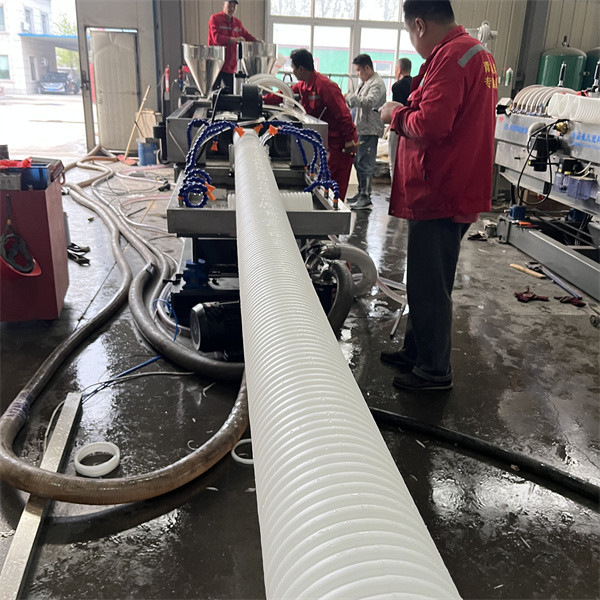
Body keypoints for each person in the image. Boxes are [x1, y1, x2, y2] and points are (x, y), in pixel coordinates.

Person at [379, 0, 498, 391]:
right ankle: (417, 351)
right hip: (455, 184)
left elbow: (431, 125)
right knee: (425, 278)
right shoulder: (475, 54)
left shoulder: (451, 57)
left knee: (430, 284)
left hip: (441, 188)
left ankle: (434, 370)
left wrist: (394, 115)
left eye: (409, 33)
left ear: (419, 25)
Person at [264, 49, 357, 201]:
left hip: (341, 143)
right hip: (325, 140)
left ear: (301, 69)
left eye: (293, 68)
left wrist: (349, 140)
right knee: (324, 180)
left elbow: (343, 114)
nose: (292, 72)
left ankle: (334, 211)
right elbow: (282, 94)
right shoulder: (303, 85)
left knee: (334, 184)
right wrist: (261, 99)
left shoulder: (325, 86)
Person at [344, 54, 387, 210]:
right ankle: (361, 192)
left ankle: (365, 196)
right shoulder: (365, 83)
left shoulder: (377, 84)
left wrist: (350, 98)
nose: (357, 74)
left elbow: (369, 102)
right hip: (362, 128)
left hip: (370, 130)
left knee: (366, 164)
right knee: (358, 162)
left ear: (367, 68)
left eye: (358, 70)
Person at [208, 0, 258, 92]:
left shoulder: (237, 23)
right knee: (213, 93)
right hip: (216, 64)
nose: (231, 9)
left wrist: (256, 41)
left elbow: (245, 35)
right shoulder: (215, 19)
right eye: (229, 6)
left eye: (234, 7)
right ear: (223, 5)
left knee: (232, 94)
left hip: (230, 66)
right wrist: (234, 39)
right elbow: (216, 38)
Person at [388, 58, 412, 180]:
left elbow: (396, 108)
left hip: (398, 127)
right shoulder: (416, 84)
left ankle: (394, 187)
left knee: (393, 162)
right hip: (411, 127)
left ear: (399, 69)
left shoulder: (397, 86)